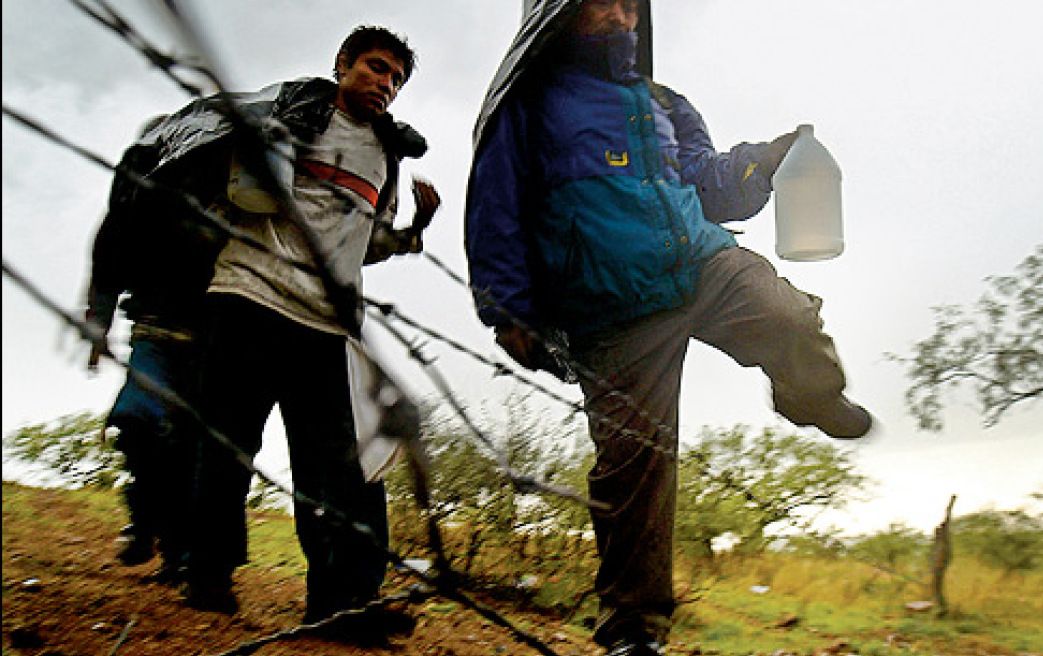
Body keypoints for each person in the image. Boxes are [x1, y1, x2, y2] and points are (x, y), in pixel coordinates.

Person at [464, 1, 871, 654]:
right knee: (635, 467)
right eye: (604, 1)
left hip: (699, 261)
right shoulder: (531, 104)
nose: (622, 15)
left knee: (787, 312)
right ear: (561, 13)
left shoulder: (663, 102)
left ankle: (811, 395)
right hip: (609, 300)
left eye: (632, 3)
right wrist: (505, 307)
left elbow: (708, 184)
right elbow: (495, 202)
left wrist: (761, 162)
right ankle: (634, 628)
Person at [125, 25, 439, 647]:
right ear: (344, 65)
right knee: (226, 446)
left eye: (397, 79)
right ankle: (208, 573)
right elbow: (236, 192)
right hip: (248, 297)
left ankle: (341, 599)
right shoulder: (289, 117)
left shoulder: (385, 154)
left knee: (335, 468)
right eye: (376, 69)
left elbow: (362, 245)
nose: (386, 84)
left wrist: (411, 231)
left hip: (325, 325)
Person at [83, 113, 217, 586]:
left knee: (188, 444)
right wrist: (98, 324)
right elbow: (107, 257)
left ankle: (177, 552)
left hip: (209, 339)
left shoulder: (220, 195)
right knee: (136, 422)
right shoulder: (135, 200)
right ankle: (145, 520)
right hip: (154, 331)